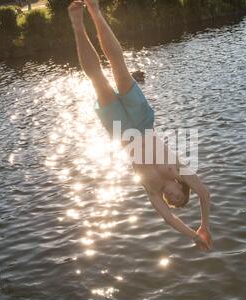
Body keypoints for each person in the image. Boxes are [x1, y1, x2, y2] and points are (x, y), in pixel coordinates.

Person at [68, 0, 213, 251]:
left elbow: (169, 219)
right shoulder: (179, 171)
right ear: (181, 188)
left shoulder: (153, 190)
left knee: (97, 80)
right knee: (118, 68)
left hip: (122, 132)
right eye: (180, 198)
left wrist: (193, 236)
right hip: (143, 122)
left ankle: (77, 25)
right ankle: (95, 10)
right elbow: (205, 194)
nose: (174, 200)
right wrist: (205, 226)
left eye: (174, 202)